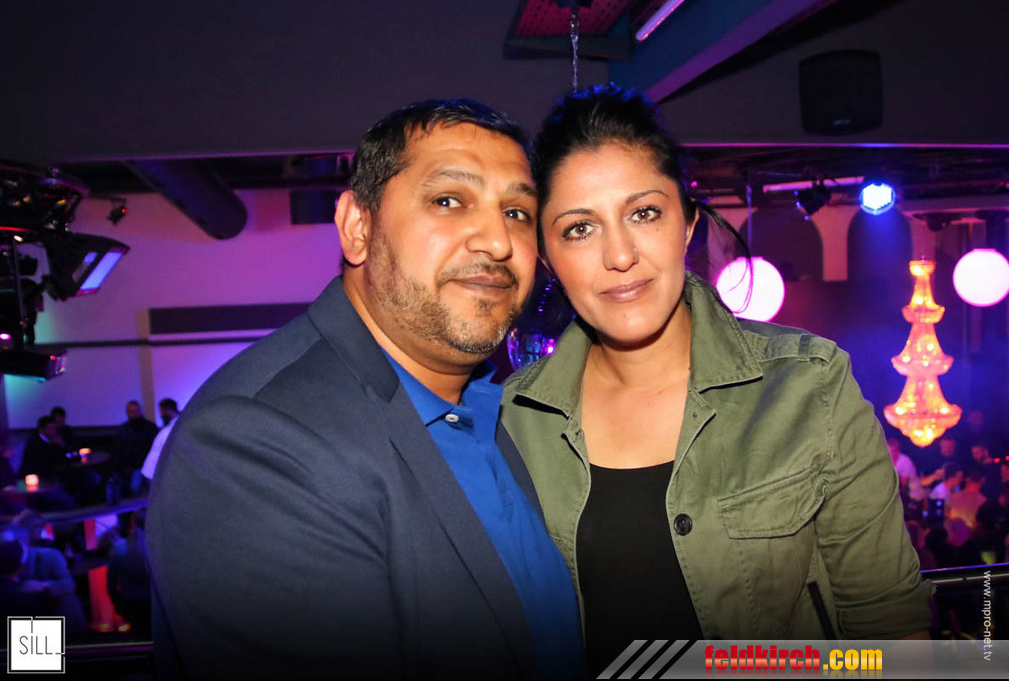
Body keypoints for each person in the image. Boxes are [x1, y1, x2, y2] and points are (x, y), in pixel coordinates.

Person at [500, 84, 931, 672]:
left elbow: (894, 634)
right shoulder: (512, 420)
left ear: (687, 225)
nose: (619, 254)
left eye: (644, 213)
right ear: (548, 256)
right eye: (580, 228)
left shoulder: (809, 384)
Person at [147, 98, 582, 680]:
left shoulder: (506, 408)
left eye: (517, 212)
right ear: (358, 227)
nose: (498, 241)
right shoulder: (255, 444)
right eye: (448, 200)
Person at [140, 398, 180, 481]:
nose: (161, 416)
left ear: (168, 410)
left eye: (161, 412)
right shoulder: (170, 427)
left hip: (159, 474)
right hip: (154, 472)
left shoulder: (175, 429)